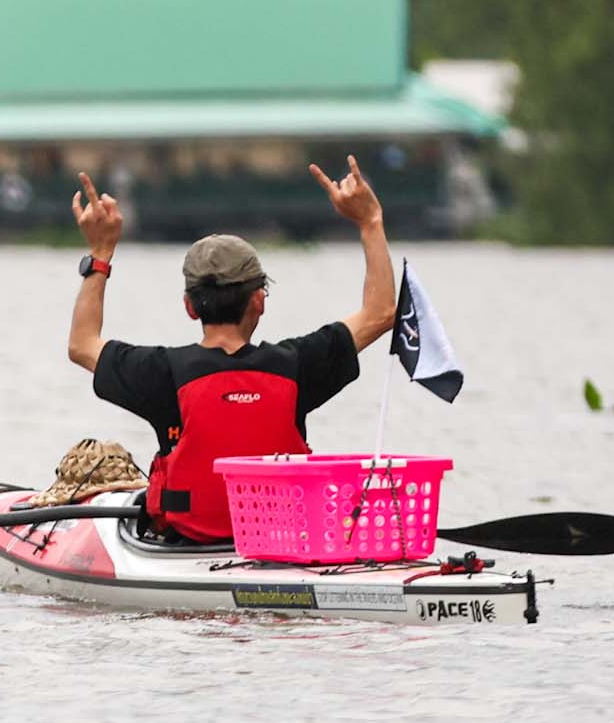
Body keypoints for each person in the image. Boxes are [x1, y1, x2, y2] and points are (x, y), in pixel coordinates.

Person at [63, 155, 398, 542]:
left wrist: (101, 254)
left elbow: (81, 344)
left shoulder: (160, 372)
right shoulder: (299, 364)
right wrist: (370, 222)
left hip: (185, 545)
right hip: (281, 544)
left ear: (189, 307)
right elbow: (381, 312)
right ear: (260, 301)